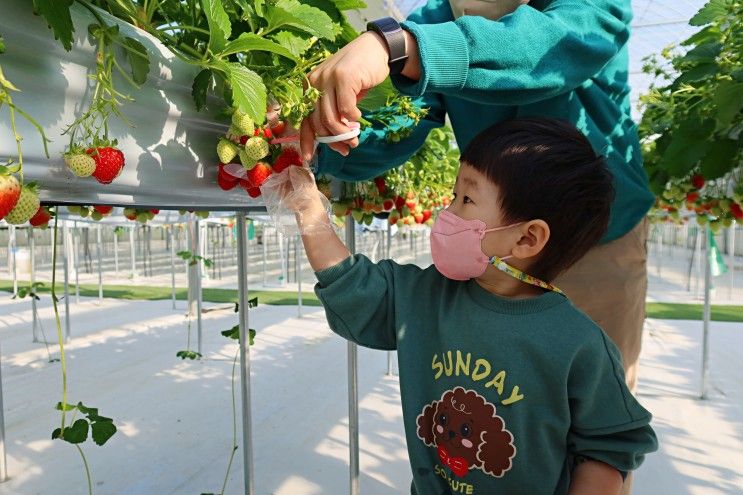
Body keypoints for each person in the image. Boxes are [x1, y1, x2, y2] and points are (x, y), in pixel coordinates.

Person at [299, 0, 654, 402]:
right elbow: (401, 123)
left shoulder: (582, 8)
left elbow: (546, 49)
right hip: (495, 247)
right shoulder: (436, 19)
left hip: (595, 241)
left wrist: (400, 47)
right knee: (499, 398)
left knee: (597, 407)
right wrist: (321, 138)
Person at [286, 118, 657, 495]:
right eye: (453, 196)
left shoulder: (579, 345)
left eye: (466, 199)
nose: (446, 213)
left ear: (527, 238)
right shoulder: (426, 296)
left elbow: (607, 448)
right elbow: (355, 288)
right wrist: (309, 213)